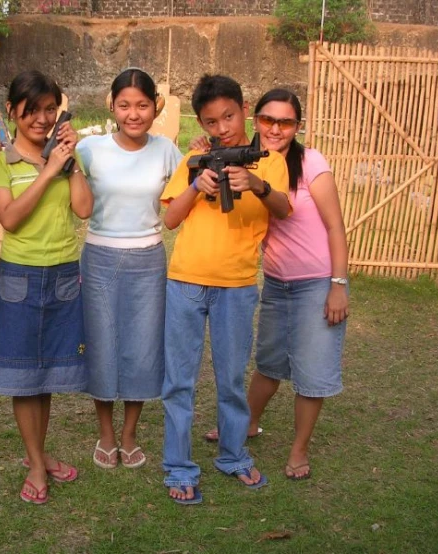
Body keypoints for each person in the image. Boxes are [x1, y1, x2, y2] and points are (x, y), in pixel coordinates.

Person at [160, 74, 291, 505]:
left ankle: (233, 455)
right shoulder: (193, 162)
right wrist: (198, 186)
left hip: (236, 286)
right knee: (180, 381)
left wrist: (255, 183)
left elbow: (284, 207)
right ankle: (179, 466)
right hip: (185, 283)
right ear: (202, 123)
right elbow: (170, 219)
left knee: (231, 378)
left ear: (244, 108)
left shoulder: (268, 161)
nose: (222, 129)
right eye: (212, 122)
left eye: (229, 117)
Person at [0, 70, 93, 504]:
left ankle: (39, 453)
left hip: (65, 274)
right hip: (20, 278)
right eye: (32, 110)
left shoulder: (66, 155)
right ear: (12, 111)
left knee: (45, 373)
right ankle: (34, 462)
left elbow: (83, 209)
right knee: (23, 375)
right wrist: (48, 171)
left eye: (50, 109)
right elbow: (9, 219)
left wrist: (70, 159)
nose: (42, 118)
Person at [76, 68, 182, 470]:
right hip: (99, 258)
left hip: (148, 260)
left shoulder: (167, 151)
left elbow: (191, 182)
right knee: (101, 343)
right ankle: (105, 433)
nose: (134, 114)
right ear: (111, 104)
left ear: (155, 106)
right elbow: (45, 162)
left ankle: (130, 434)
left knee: (142, 346)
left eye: (142, 105)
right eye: (125, 105)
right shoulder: (91, 150)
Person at [246, 88, 349, 481]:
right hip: (276, 281)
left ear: (297, 126)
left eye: (285, 122)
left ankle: (299, 449)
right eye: (268, 119)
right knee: (268, 364)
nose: (275, 129)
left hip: (316, 283)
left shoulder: (310, 162)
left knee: (311, 371)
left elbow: (335, 226)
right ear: (255, 119)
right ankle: (248, 424)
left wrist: (337, 284)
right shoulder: (251, 162)